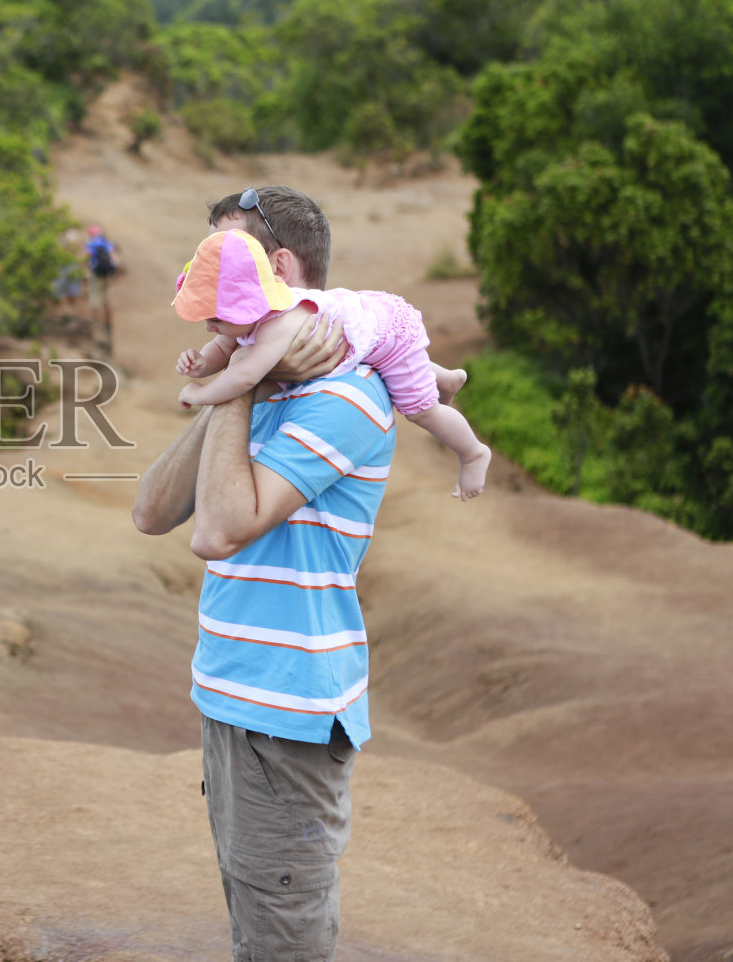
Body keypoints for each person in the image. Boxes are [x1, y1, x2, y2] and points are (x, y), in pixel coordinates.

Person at [132, 185, 387, 962]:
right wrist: (248, 375)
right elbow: (152, 510)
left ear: (278, 264)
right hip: (234, 699)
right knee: (254, 922)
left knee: (283, 942)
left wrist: (242, 379)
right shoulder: (273, 387)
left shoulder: (347, 394)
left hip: (290, 712)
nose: (204, 281)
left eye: (221, 258)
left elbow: (216, 530)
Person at [172, 226, 491, 499]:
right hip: (368, 317)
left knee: (421, 411)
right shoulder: (252, 312)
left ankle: (473, 453)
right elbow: (225, 345)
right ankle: (446, 379)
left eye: (215, 318)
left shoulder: (278, 325)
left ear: (242, 307)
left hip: (390, 335)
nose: (209, 327)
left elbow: (244, 375)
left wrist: (201, 394)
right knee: (399, 366)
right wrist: (202, 365)